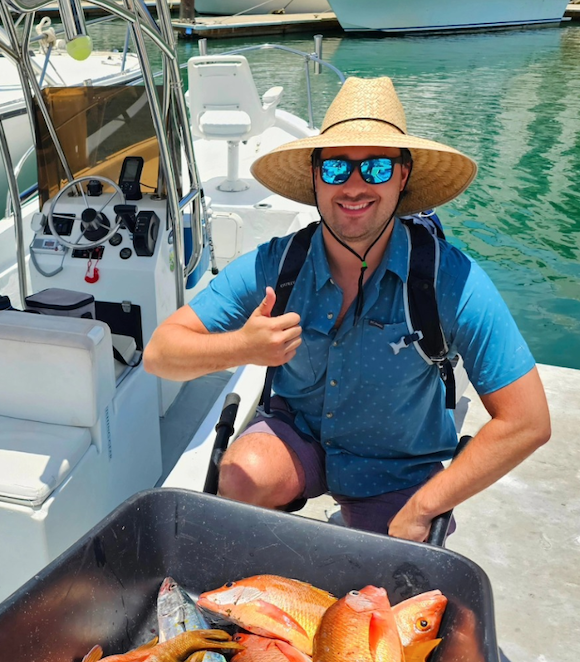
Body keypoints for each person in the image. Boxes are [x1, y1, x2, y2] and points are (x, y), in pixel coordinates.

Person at [143, 76, 550, 542]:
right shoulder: (277, 265)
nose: (354, 186)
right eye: (337, 168)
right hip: (301, 437)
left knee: (388, 586)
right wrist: (242, 347)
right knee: (238, 476)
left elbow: (527, 420)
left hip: (398, 466)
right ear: (315, 177)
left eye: (375, 168)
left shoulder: (450, 280)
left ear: (403, 176)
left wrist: (424, 507)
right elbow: (160, 353)